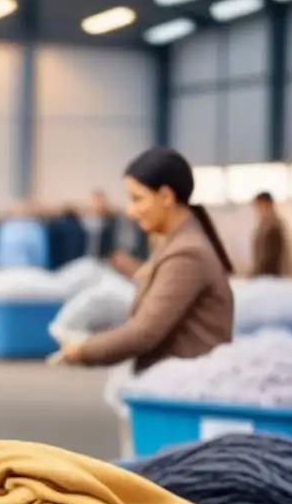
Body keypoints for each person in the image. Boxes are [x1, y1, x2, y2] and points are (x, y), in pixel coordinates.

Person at [60, 146, 234, 373]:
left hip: (181, 389)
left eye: (137, 199)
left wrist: (83, 349)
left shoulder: (187, 253)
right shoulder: (174, 243)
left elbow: (143, 333)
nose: (131, 211)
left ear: (165, 197)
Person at [249, 191, 286, 277]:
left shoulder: (272, 226)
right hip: (265, 275)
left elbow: (270, 259)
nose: (257, 209)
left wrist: (255, 274)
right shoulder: (264, 224)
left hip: (270, 276)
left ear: (266, 204)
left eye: (258, 205)